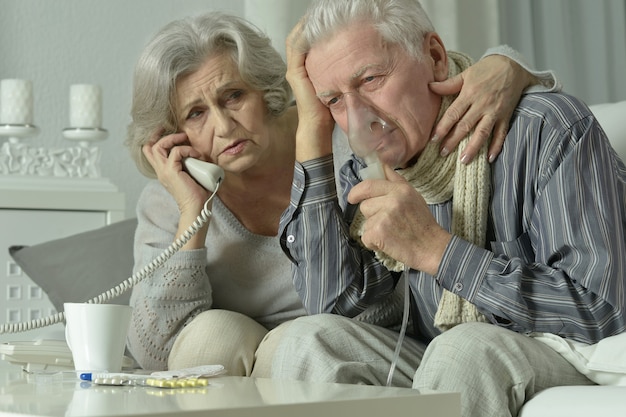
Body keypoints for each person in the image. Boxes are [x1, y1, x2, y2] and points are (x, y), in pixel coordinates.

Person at [123, 11, 560, 375]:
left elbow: (431, 90)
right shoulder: (172, 199)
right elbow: (157, 354)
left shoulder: (346, 136)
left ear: (264, 87)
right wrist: (192, 216)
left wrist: (507, 63)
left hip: (351, 342)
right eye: (196, 114)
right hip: (259, 356)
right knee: (210, 338)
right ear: (171, 135)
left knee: (290, 348)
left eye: (233, 96)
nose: (222, 126)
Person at [272, 0, 626, 416]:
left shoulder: (544, 128)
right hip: (439, 354)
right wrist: (312, 127)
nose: (357, 118)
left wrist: (436, 252)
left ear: (435, 58)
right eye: (333, 100)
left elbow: (599, 307)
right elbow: (330, 305)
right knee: (305, 341)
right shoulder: (370, 171)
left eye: (370, 79)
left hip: (566, 351)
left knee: (462, 348)